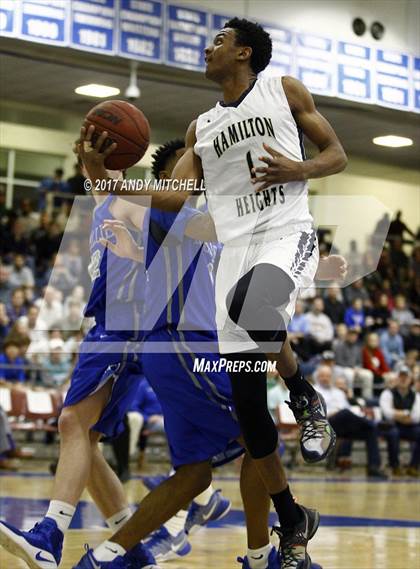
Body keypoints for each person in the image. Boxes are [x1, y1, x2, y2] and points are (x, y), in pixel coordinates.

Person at [79, 17, 349, 568]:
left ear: (244, 52)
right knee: (251, 409)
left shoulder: (283, 89)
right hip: (238, 249)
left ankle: (303, 393)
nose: (209, 47)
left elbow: (337, 155)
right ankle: (291, 517)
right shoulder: (202, 126)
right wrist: (100, 178)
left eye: (220, 40)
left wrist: (299, 167)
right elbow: (172, 198)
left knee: (254, 301)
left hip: (286, 234)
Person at [315, 365, 387, 479]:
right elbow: (315, 414)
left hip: (344, 425)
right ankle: (375, 423)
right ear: (318, 377)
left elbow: (350, 410)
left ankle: (373, 467)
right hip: (326, 424)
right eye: (323, 376)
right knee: (345, 412)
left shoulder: (338, 392)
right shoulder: (313, 391)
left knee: (370, 431)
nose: (325, 378)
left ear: (331, 377)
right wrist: (336, 414)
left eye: (328, 376)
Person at [380, 365, 420, 477]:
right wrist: (405, 414)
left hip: (409, 426)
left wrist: (396, 413)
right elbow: (387, 414)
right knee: (393, 433)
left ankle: (413, 466)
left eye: (406, 377)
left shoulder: (416, 396)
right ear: (397, 378)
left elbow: (416, 416)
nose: (403, 379)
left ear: (410, 380)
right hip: (391, 426)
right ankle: (395, 466)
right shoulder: (387, 393)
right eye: (401, 376)